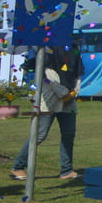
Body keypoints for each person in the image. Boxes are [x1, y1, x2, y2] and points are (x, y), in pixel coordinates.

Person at [9, 43, 84, 181]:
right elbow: (50, 78)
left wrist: (74, 92)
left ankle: (66, 170)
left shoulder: (73, 48)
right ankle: (18, 167)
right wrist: (65, 94)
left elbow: (78, 75)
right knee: (39, 135)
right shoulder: (48, 51)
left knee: (69, 135)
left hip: (69, 103)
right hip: (48, 102)